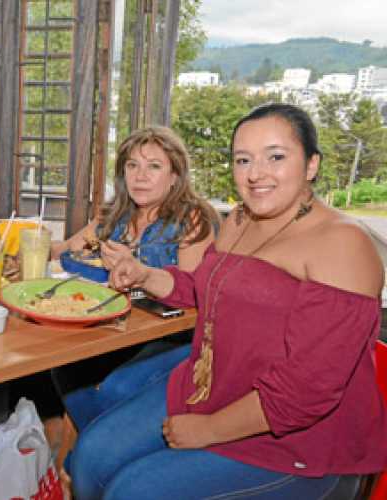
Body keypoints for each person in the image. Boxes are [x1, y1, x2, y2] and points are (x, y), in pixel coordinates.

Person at [68, 103, 387, 499]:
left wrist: (209, 429)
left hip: (298, 442)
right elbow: (204, 289)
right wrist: (144, 274)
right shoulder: (239, 220)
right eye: (243, 159)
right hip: (214, 389)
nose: (255, 174)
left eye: (276, 157)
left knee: (131, 492)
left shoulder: (343, 244)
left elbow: (306, 392)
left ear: (311, 165)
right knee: (90, 459)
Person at [51, 127, 218, 400]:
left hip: (169, 338)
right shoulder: (114, 215)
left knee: (111, 384)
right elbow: (64, 250)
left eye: (154, 166)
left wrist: (139, 272)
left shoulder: (192, 220)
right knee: (60, 364)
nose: (140, 176)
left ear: (175, 176)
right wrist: (24, 243)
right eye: (132, 165)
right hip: (114, 328)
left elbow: (194, 298)